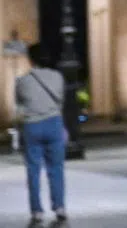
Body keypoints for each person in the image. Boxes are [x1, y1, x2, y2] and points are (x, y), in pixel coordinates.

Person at [14, 43, 68, 226]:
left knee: (33, 170)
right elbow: (61, 100)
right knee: (56, 169)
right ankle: (59, 207)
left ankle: (37, 211)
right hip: (53, 123)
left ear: (30, 59)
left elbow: (19, 105)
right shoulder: (58, 77)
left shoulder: (22, 81)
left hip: (32, 126)